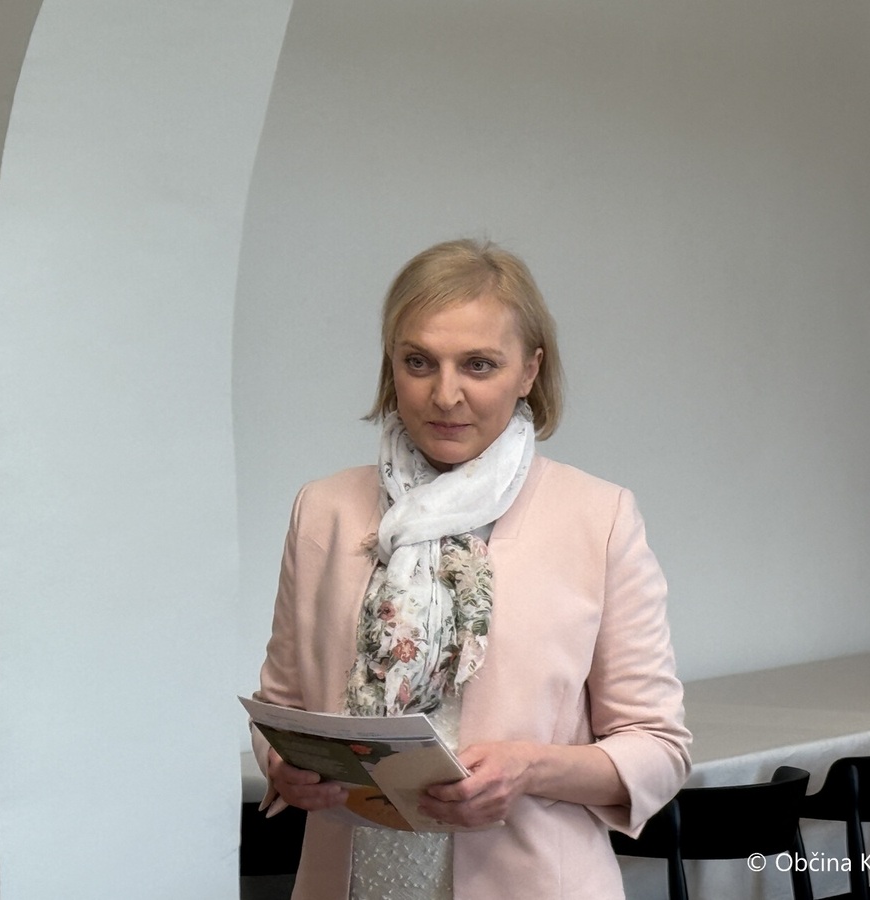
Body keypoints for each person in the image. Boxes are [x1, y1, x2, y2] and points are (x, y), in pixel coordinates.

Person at [251, 238, 691, 899]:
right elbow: (281, 706)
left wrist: (530, 769)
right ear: (391, 365)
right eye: (419, 362)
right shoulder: (324, 509)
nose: (445, 393)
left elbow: (658, 747)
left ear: (529, 371)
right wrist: (284, 766)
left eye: (479, 365)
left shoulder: (598, 518)